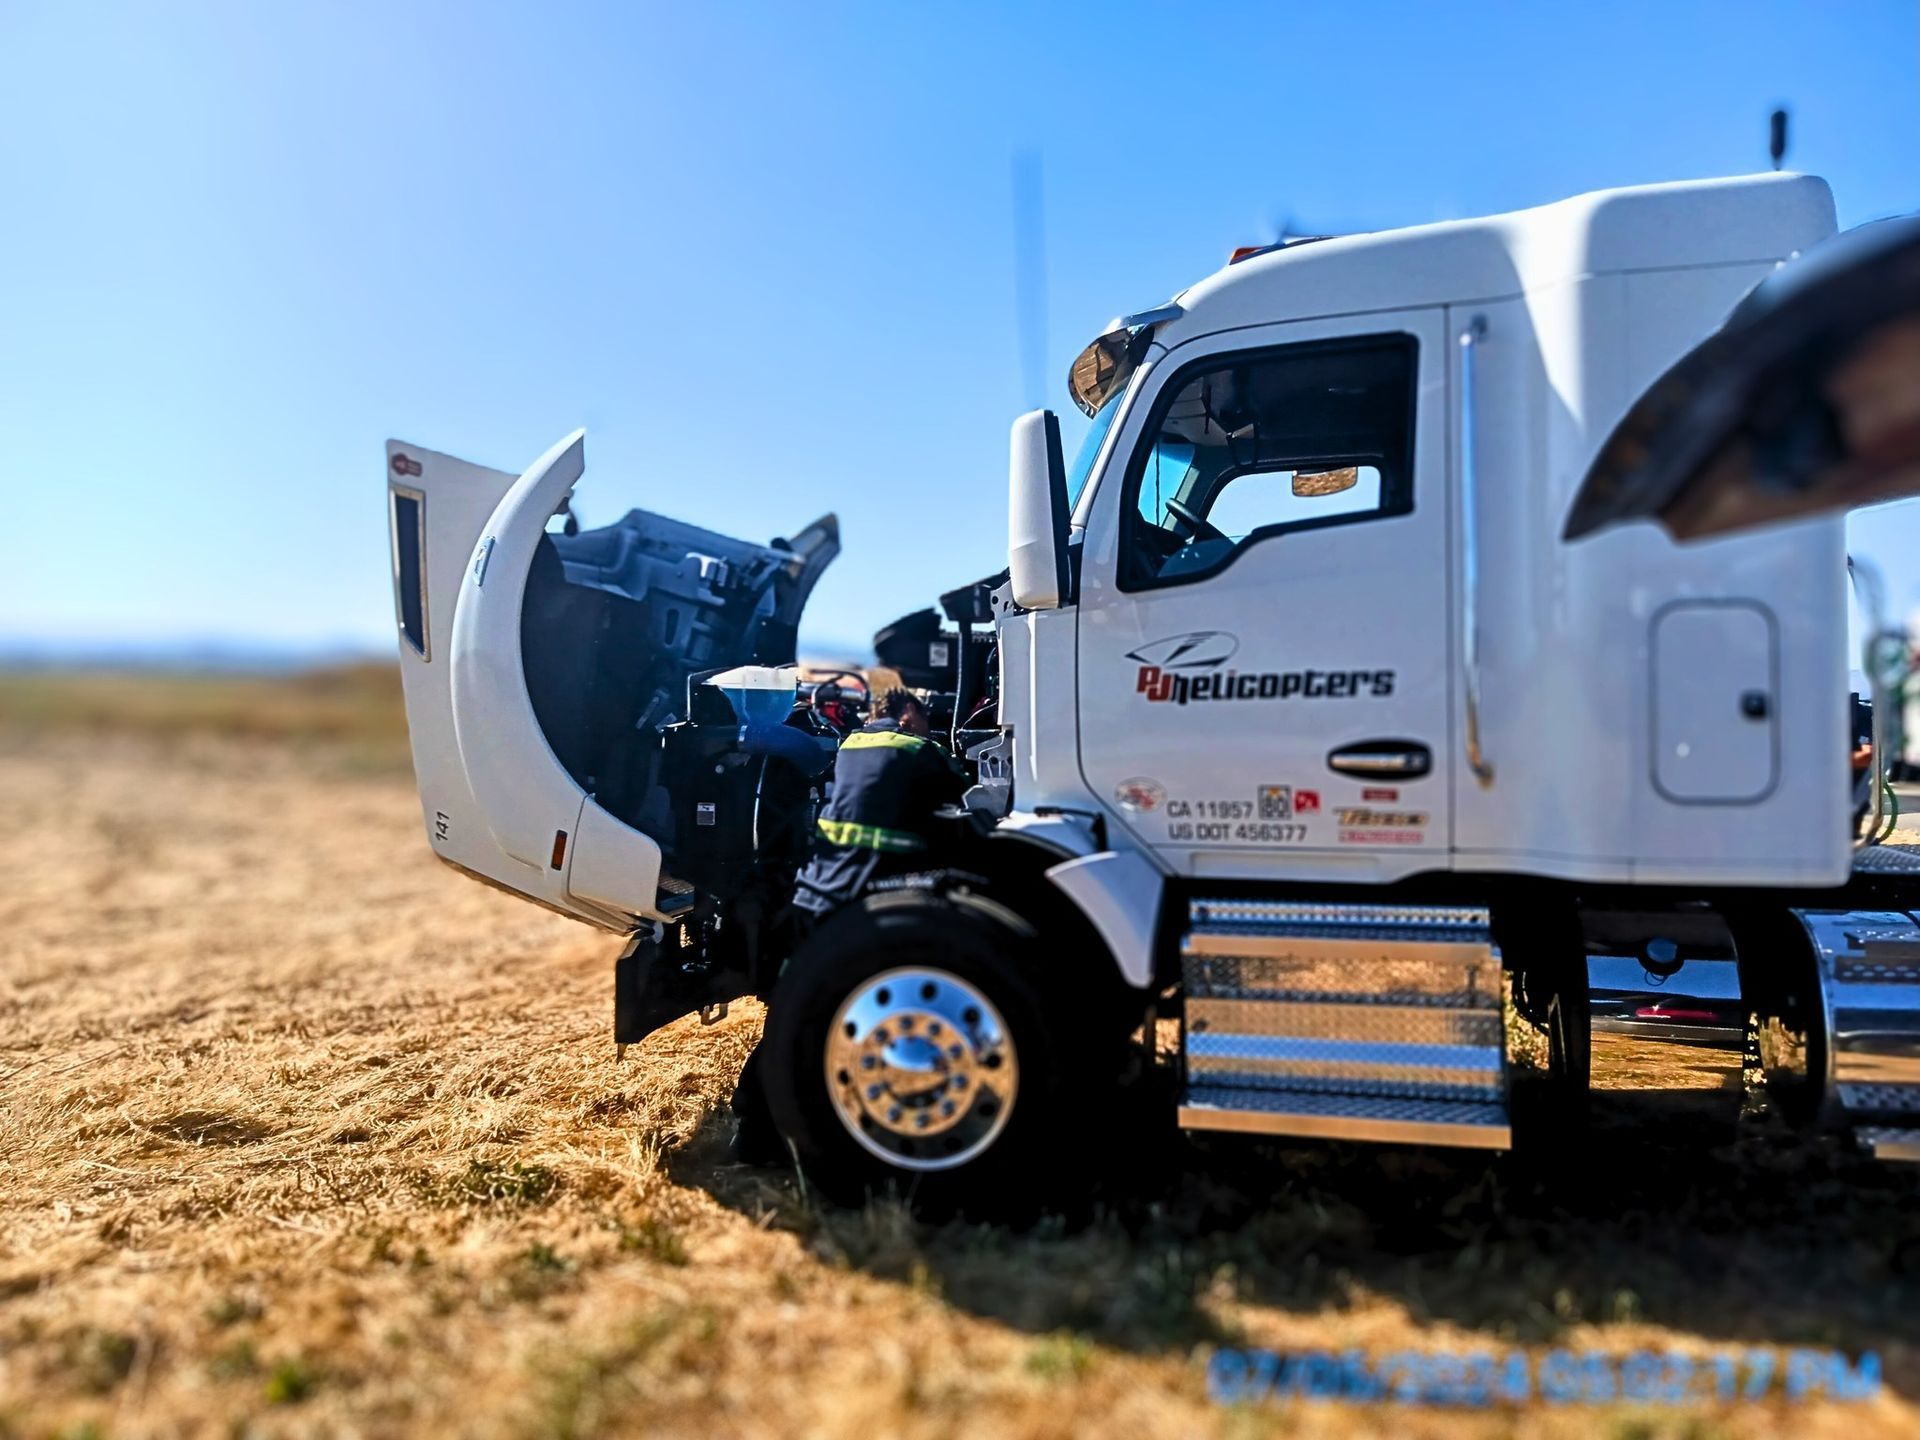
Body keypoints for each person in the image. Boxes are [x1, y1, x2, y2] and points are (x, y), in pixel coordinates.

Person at [730, 686, 968, 1164]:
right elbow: (967, 795)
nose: (928, 725)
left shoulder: (850, 745)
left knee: (792, 1014)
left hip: (814, 897)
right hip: (854, 902)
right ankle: (771, 1136)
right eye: (924, 716)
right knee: (813, 1020)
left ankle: (753, 1131)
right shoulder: (920, 749)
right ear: (906, 714)